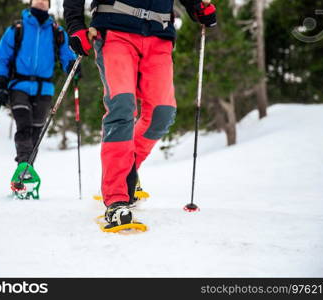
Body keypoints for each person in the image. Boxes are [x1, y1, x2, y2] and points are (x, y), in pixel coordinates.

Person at [63, 0, 217, 226]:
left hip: (159, 35)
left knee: (162, 113)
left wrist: (196, 7)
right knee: (122, 105)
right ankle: (116, 198)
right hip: (114, 29)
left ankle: (127, 170)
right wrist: (75, 25)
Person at [0, 0, 79, 199]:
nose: (40, 1)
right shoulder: (17, 28)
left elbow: (67, 55)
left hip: (45, 87)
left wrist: (74, 66)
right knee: (24, 126)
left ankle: (26, 174)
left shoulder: (57, 32)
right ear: (31, 2)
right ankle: (24, 169)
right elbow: (2, 57)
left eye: (45, 0)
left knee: (36, 131)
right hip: (19, 85)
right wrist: (0, 84)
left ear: (48, 5)